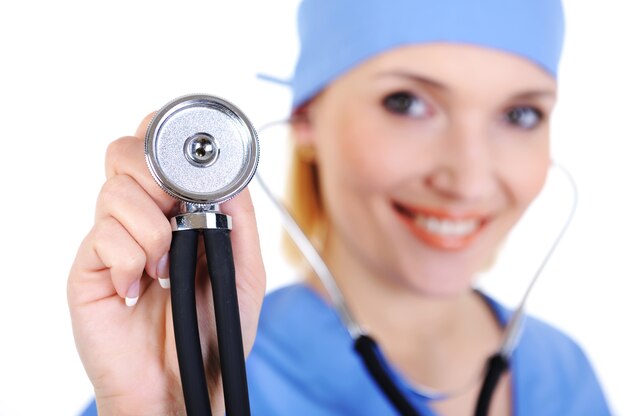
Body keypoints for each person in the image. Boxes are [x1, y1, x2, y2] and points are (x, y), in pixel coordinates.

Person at [68, 0, 611, 414]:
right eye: (407, 103)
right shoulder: (189, 361)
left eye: (520, 115)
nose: (468, 180)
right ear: (306, 121)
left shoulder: (565, 374)